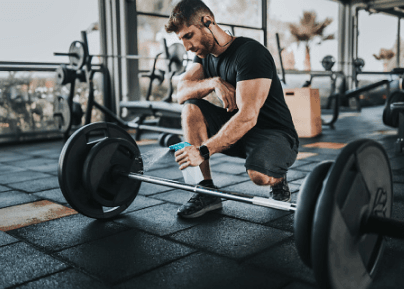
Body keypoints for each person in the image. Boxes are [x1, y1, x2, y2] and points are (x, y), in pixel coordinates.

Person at [165, 0, 299, 218]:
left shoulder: (250, 53)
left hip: (274, 133)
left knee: (259, 176)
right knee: (191, 108)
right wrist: (213, 82)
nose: (186, 47)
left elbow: (248, 117)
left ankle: (279, 177)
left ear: (207, 22)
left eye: (189, 36)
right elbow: (179, 93)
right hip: (238, 130)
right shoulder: (204, 57)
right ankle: (205, 191)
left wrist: (202, 151)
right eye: (181, 40)